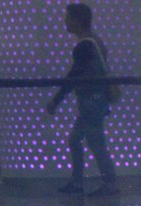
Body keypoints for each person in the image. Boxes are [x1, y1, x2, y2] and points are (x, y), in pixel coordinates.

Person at [46, 2, 119, 196]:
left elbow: (74, 76)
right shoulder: (95, 41)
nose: (65, 22)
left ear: (76, 21)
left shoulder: (84, 46)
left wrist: (56, 100)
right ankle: (78, 182)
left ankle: (109, 183)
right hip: (96, 100)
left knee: (96, 142)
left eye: (67, 18)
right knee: (75, 139)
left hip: (90, 102)